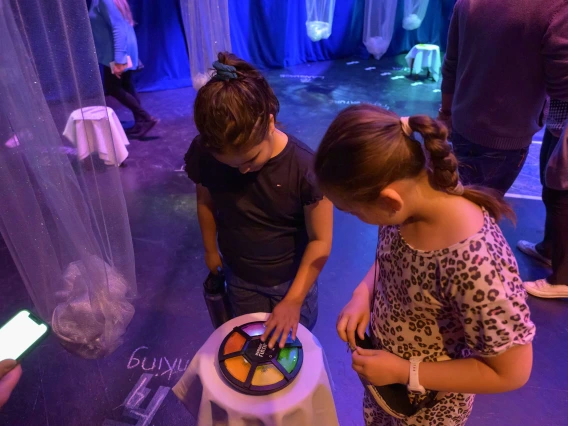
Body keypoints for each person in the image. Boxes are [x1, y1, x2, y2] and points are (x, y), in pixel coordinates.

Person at [314, 104, 536, 425]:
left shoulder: (477, 264)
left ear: (389, 200)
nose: (357, 218)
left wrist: (405, 370)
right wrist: (364, 291)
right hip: (387, 387)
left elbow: (511, 372)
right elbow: (392, 256)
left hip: (428, 412)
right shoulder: (403, 206)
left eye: (354, 212)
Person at [184, 52, 333, 348]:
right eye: (229, 164)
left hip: (291, 282)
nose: (242, 170)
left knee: (291, 354)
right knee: (251, 348)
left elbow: (321, 241)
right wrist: (210, 250)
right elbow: (205, 201)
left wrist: (293, 301)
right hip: (238, 275)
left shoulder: (305, 169)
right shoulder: (205, 153)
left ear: (269, 122)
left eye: (251, 159)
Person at [438, 0, 568, 195]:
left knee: (460, 204)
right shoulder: (556, 7)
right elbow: (561, 86)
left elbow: (450, 66)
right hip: (506, 137)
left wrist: (445, 113)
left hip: (462, 123)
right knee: (479, 213)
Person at [518, 99, 568, 298]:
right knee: (549, 188)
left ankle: (563, 278)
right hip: (557, 122)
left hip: (563, 124)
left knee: (561, 196)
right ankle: (549, 248)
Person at [89, 0, 158, 139]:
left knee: (113, 87)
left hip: (116, 53)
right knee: (127, 86)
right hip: (122, 50)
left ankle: (146, 118)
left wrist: (119, 59)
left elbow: (118, 29)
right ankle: (141, 122)